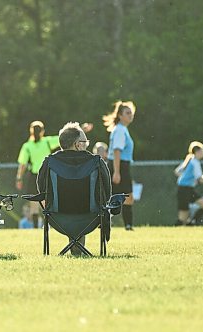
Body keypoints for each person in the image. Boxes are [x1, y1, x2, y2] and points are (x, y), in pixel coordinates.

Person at [37, 122, 111, 256]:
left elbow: (41, 188)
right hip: (92, 217)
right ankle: (78, 248)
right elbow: (107, 189)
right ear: (78, 144)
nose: (86, 145)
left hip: (57, 217)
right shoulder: (96, 161)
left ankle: (75, 247)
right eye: (85, 142)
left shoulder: (50, 162)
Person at [16, 121, 60, 228]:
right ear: (43, 131)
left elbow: (22, 165)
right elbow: (63, 138)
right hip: (46, 175)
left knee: (34, 205)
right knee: (47, 203)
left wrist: (19, 179)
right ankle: (48, 225)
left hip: (33, 177)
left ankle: (36, 228)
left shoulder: (27, 146)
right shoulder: (48, 142)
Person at [103, 100, 137, 230]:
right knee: (122, 197)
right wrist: (116, 172)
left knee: (124, 197)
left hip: (122, 166)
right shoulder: (120, 130)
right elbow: (117, 151)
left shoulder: (123, 129)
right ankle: (125, 225)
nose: (130, 115)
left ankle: (127, 225)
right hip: (119, 166)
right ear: (120, 116)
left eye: (131, 113)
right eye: (127, 113)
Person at [174, 141, 203, 226]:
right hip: (184, 189)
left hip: (188, 189)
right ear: (197, 152)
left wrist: (186, 177)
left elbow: (177, 172)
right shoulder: (195, 162)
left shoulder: (190, 160)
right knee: (183, 218)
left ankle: (192, 223)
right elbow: (201, 180)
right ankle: (183, 226)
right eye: (202, 151)